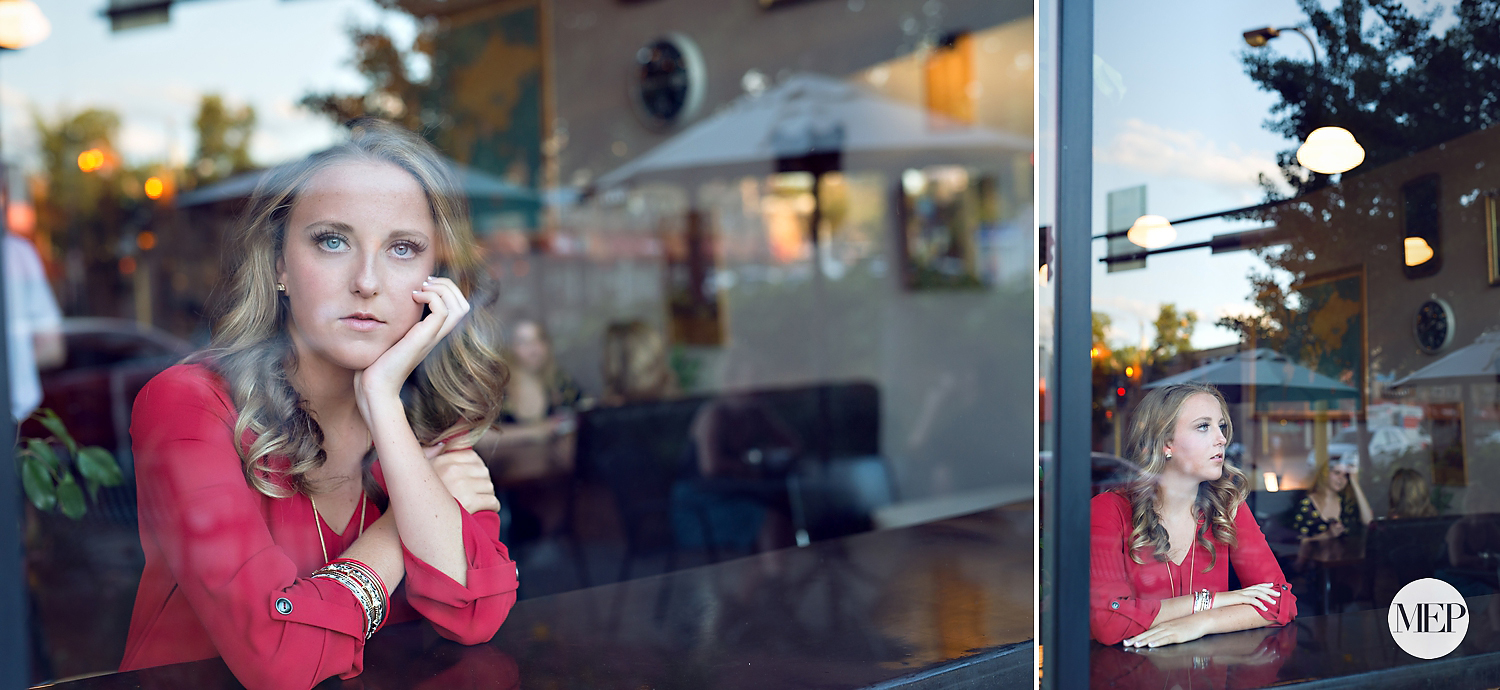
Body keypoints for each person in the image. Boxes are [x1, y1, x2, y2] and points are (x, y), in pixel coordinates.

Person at [119, 119, 516, 689]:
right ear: (280, 265)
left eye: (402, 249)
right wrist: (407, 520)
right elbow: (277, 658)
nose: (367, 281)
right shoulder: (189, 407)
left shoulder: (425, 416)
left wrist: (382, 399)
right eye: (333, 240)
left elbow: (474, 616)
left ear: (435, 277)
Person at [1091, 382, 1296, 647]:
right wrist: (1212, 602)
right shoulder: (1108, 510)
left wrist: (1201, 623)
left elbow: (1280, 601)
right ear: (1166, 443)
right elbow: (1110, 621)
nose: (1221, 438)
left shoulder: (1226, 507)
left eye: (1221, 426)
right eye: (1203, 426)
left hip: (1207, 674)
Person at [4, 232, 65, 421]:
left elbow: (53, 349)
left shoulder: (17, 252)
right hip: (15, 415)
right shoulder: (16, 252)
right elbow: (52, 348)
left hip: (14, 417)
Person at [1293, 456, 1373, 543]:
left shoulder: (1346, 503)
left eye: (1346, 475)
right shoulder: (1306, 503)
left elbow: (1368, 521)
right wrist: (1328, 535)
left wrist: (1355, 484)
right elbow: (1298, 542)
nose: (1341, 478)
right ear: (1325, 474)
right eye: (1337, 473)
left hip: (1348, 555)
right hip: (1315, 556)